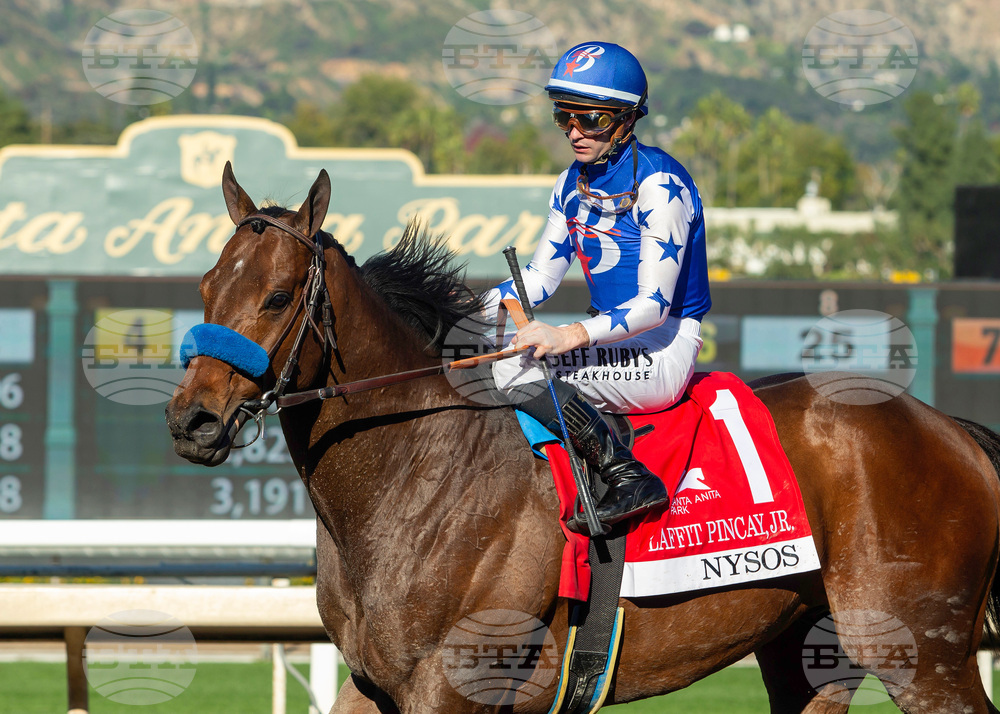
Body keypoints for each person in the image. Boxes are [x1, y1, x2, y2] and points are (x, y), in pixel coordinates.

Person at [483, 41, 711, 533]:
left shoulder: (661, 184)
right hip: (613, 343)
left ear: (628, 118)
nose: (574, 132)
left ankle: (628, 475)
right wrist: (465, 308)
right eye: (564, 117)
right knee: (486, 354)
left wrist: (567, 336)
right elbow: (540, 278)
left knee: (514, 374)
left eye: (592, 119)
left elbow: (653, 306)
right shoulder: (570, 182)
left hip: (662, 345)